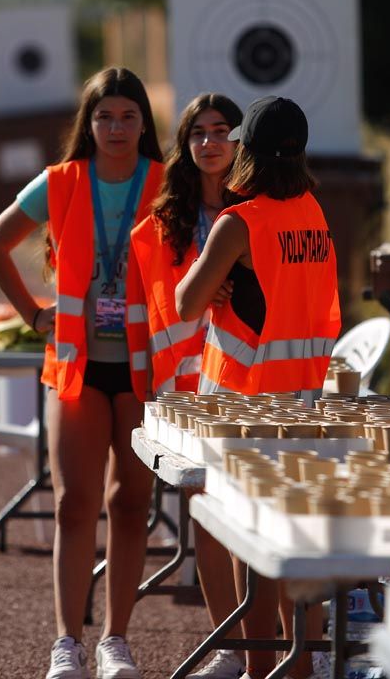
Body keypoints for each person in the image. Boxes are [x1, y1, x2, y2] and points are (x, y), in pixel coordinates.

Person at [0, 67, 164, 679]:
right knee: (74, 504)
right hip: (78, 366)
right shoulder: (60, 182)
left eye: (128, 116)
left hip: (143, 371)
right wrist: (32, 313)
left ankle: (116, 642)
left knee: (132, 503)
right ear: (87, 123)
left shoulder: (167, 184)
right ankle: (67, 643)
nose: (115, 127)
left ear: (144, 123)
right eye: (104, 116)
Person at [177, 96, 341, 679]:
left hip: (248, 409)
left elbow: (185, 302)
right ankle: (311, 664)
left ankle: (259, 669)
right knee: (303, 541)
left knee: (256, 548)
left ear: (246, 151)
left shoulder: (239, 222)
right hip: (306, 399)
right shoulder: (314, 213)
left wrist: (216, 276)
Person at [128, 93, 246, 678]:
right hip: (190, 383)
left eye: (221, 130)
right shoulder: (166, 220)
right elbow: (163, 302)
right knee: (206, 514)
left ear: (240, 140)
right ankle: (229, 646)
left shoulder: (259, 207)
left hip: (250, 379)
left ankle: (265, 647)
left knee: (254, 514)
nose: (209, 142)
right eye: (197, 132)